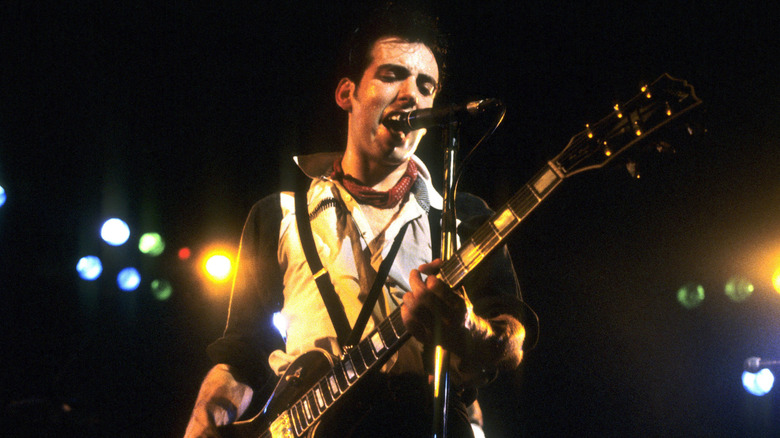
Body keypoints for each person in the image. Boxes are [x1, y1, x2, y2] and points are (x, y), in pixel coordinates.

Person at [184, 5, 529, 438]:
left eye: (426, 85)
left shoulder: (464, 217)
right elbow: (243, 353)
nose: (411, 95)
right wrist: (206, 416)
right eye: (392, 75)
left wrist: (467, 328)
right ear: (347, 93)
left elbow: (511, 341)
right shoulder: (278, 214)